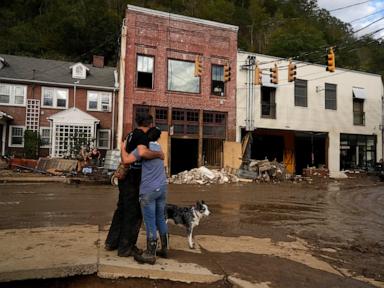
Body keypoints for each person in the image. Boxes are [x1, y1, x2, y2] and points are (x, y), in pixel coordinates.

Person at [104, 114, 163, 257]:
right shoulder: (141, 136)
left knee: (122, 210)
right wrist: (158, 154)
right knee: (134, 213)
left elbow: (125, 150)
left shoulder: (131, 134)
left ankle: (112, 242)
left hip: (125, 179)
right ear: (149, 124)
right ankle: (126, 248)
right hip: (133, 179)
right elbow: (142, 152)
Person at [121, 127, 168, 265]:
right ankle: (165, 248)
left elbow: (126, 160)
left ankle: (150, 253)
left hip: (148, 191)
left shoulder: (142, 148)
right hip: (162, 188)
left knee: (149, 222)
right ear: (158, 137)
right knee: (160, 218)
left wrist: (123, 146)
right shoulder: (159, 149)